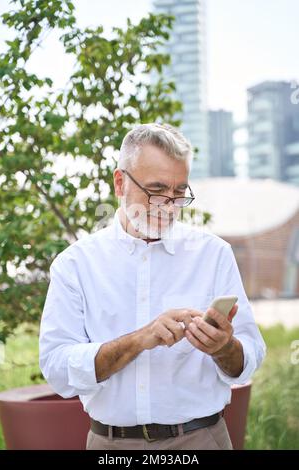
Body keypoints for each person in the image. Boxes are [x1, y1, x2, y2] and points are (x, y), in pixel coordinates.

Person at [39, 123, 266, 450]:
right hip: (110, 446)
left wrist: (223, 348)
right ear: (120, 183)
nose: (168, 205)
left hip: (200, 440)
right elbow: (57, 368)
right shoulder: (75, 264)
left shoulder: (213, 254)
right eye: (156, 190)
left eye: (178, 193)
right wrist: (139, 340)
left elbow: (251, 354)